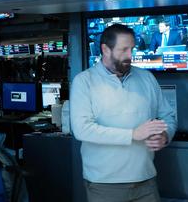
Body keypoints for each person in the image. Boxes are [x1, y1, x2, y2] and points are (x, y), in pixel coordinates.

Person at [71, 24, 177, 202]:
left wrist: (165, 135)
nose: (130, 56)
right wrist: (133, 134)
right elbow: (82, 129)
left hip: (147, 181)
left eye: (132, 49)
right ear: (105, 49)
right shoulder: (84, 81)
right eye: (123, 50)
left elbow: (168, 116)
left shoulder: (147, 78)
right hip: (104, 185)